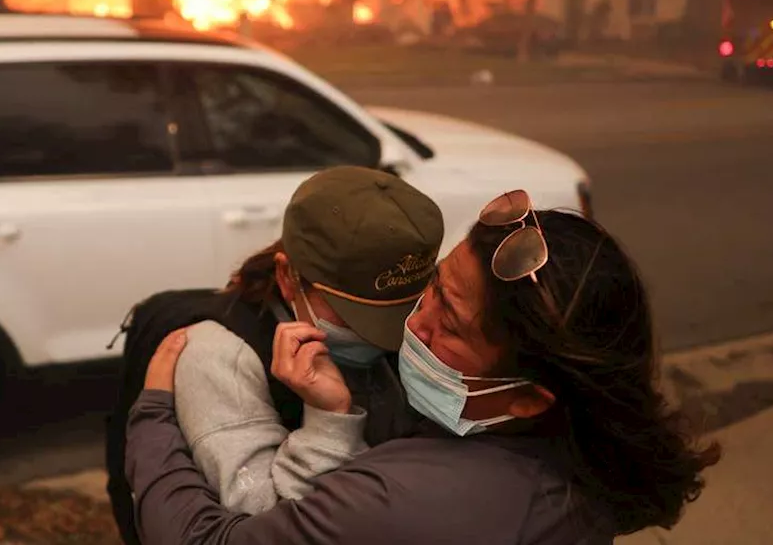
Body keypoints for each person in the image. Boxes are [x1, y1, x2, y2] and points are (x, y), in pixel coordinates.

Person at [126, 189, 721, 544]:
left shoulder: (406, 496)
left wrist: (152, 417)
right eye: (430, 291)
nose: (413, 327)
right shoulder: (587, 452)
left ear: (528, 397)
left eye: (450, 324)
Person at [104, 166, 444, 541]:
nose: (387, 336)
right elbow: (261, 528)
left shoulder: (419, 326)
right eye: (356, 316)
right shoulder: (220, 357)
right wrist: (330, 421)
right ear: (287, 277)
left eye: (403, 311)